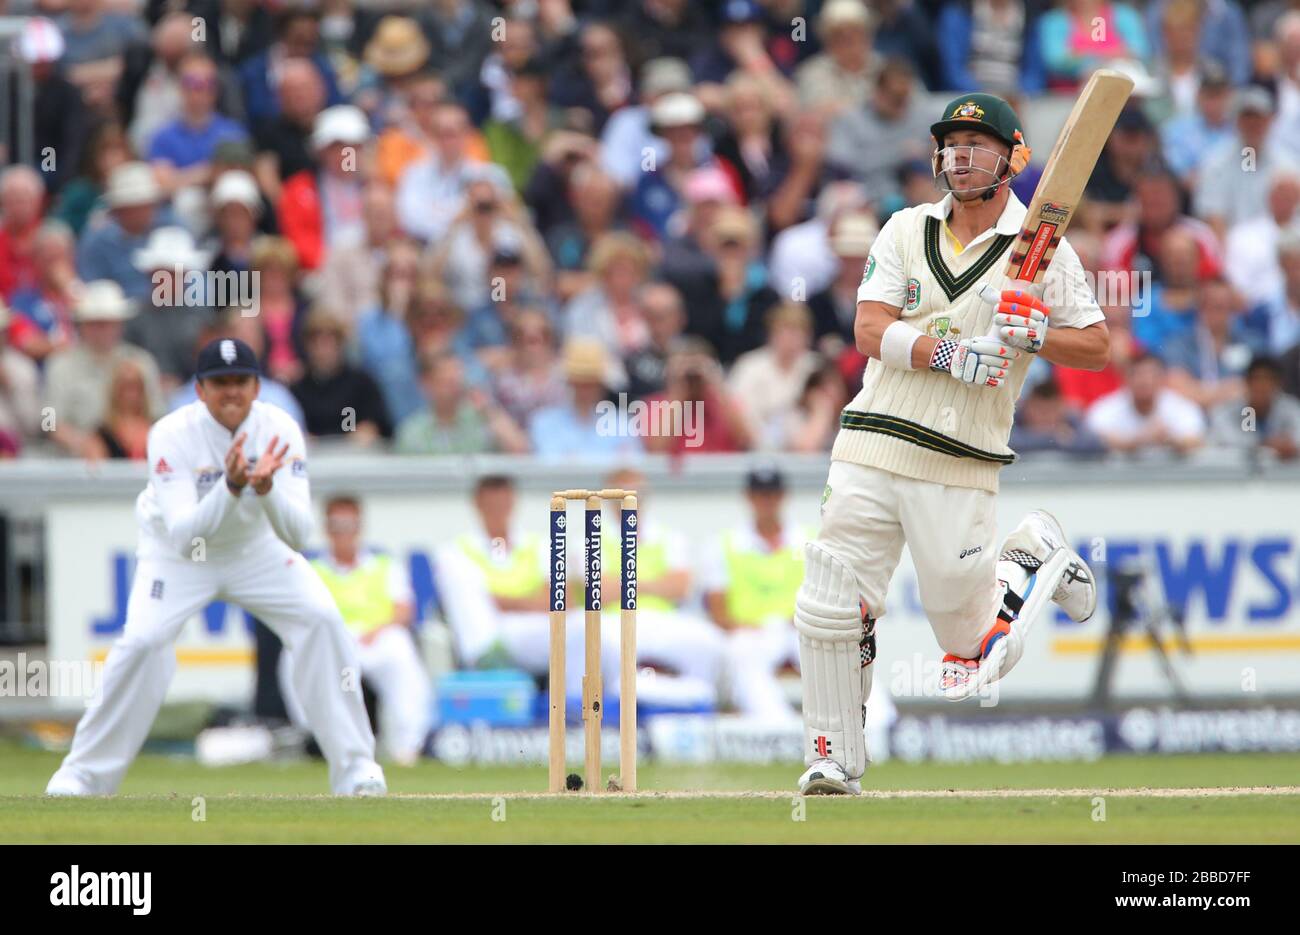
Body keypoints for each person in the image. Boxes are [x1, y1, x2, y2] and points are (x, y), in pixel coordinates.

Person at [793, 92, 1107, 795]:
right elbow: (869, 330)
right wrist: (947, 355)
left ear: (1013, 157)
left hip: (960, 461)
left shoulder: (1043, 252)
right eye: (951, 146)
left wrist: (1037, 337)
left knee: (970, 656)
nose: (960, 158)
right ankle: (833, 754)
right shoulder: (906, 228)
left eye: (977, 145)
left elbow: (1097, 346)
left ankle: (1032, 559)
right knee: (830, 598)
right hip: (870, 442)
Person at [46, 337, 386, 796]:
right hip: (178, 556)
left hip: (256, 549)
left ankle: (355, 769)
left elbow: (298, 535)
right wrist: (230, 486)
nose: (231, 392)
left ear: (257, 386)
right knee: (143, 642)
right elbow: (189, 535)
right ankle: (83, 775)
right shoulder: (170, 433)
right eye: (219, 383)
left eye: (240, 381)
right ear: (200, 390)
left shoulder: (281, 428)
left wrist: (264, 492)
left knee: (322, 619)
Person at [307, 496, 431, 765]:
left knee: (400, 651)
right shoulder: (311, 571)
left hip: (375, 637)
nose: (343, 533)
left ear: (359, 527)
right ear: (326, 528)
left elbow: (403, 610)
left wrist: (379, 629)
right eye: (336, 525)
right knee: (295, 656)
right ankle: (320, 741)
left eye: (349, 524)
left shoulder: (384, 565)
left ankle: (407, 746)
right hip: (334, 641)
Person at [45, 280, 166, 459]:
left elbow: (157, 416)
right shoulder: (59, 365)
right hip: (77, 461)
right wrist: (81, 442)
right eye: (94, 323)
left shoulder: (142, 362)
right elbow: (48, 422)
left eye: (108, 323)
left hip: (133, 456)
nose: (102, 330)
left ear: (120, 324)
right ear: (82, 324)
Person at [1085, 352, 1207, 454]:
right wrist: (1141, 440)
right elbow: (1094, 437)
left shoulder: (1181, 406)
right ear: (1127, 379)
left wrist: (1169, 439)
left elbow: (1195, 439)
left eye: (1152, 375)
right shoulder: (1108, 407)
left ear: (1162, 379)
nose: (1145, 381)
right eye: (1139, 375)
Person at [1209, 356, 1300, 460]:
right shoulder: (1228, 410)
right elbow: (1224, 437)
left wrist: (1289, 444)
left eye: (1268, 379)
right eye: (1257, 379)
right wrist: (1266, 443)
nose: (1262, 385)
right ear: (1247, 382)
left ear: (1278, 383)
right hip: (1237, 472)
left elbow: (1297, 437)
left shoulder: (1291, 408)